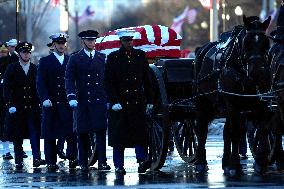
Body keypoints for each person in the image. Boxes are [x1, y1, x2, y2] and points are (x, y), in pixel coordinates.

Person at [104, 29, 154, 174]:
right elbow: (108, 82)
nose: (129, 43)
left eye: (131, 40)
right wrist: (114, 101)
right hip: (120, 103)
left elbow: (147, 80)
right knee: (119, 138)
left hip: (137, 101)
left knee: (139, 135)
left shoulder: (140, 56)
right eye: (126, 41)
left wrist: (150, 100)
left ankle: (142, 160)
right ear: (121, 42)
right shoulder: (113, 57)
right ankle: (119, 165)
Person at [65, 30, 110, 172]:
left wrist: (109, 98)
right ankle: (83, 162)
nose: (91, 42)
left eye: (93, 40)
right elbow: (69, 79)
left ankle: (102, 162)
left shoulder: (102, 57)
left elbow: (107, 80)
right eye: (88, 40)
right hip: (82, 100)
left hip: (99, 100)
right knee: (82, 133)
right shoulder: (75, 58)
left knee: (101, 132)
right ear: (83, 42)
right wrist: (71, 96)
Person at [37, 33, 78, 172]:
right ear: (53, 45)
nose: (61, 45)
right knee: (50, 134)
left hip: (67, 103)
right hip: (52, 103)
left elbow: (74, 80)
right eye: (59, 43)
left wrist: (74, 97)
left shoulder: (70, 60)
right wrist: (44, 98)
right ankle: (51, 161)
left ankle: (72, 158)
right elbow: (41, 83)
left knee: (71, 133)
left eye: (63, 43)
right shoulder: (45, 61)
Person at [3, 42, 45, 170]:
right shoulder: (12, 68)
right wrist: (10, 104)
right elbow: (7, 88)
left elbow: (39, 87)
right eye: (24, 52)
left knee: (34, 133)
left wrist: (41, 101)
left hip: (32, 107)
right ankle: (19, 160)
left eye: (28, 52)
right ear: (19, 53)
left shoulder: (34, 68)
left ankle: (36, 157)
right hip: (18, 107)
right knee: (18, 135)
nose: (26, 54)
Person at [0, 44, 13, 160]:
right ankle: (6, 150)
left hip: (8, 99)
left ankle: (9, 150)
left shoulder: (10, 63)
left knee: (9, 124)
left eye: (4, 52)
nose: (3, 54)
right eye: (1, 52)